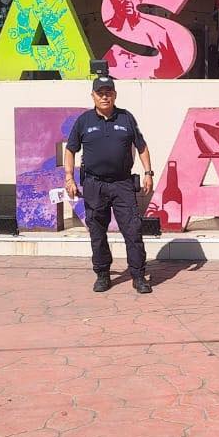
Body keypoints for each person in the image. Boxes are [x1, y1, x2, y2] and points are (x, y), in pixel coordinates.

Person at [63, 76, 155, 294]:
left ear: (114, 95)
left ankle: (139, 276)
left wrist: (148, 173)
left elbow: (141, 147)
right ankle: (103, 274)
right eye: (100, 93)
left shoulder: (126, 118)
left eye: (108, 92)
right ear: (93, 96)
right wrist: (69, 177)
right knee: (97, 231)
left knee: (132, 231)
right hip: (94, 185)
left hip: (122, 184)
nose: (104, 96)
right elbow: (70, 150)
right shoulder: (84, 121)